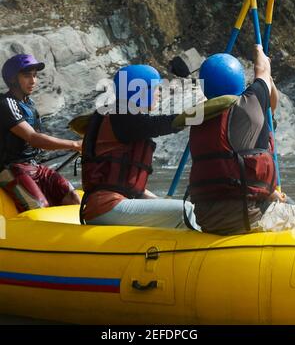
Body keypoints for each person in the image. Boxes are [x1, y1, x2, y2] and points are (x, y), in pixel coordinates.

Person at [185, 45, 295, 235]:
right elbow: (262, 73)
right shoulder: (248, 105)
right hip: (246, 216)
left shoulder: (199, 117)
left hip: (206, 218)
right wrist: (260, 52)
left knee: (286, 201)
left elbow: (269, 107)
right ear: (239, 80)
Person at [80, 64, 199, 229]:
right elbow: (159, 124)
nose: (159, 93)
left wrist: (161, 203)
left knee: (183, 208)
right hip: (108, 207)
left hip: (115, 205)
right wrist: (198, 115)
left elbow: (133, 189)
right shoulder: (121, 118)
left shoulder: (120, 116)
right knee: (186, 211)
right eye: (156, 88)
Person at [0, 54, 82, 212]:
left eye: (35, 75)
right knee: (39, 207)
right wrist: (75, 144)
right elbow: (33, 139)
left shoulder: (29, 104)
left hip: (34, 167)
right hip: (10, 169)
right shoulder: (5, 104)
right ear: (12, 79)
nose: (33, 81)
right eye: (26, 76)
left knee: (73, 198)